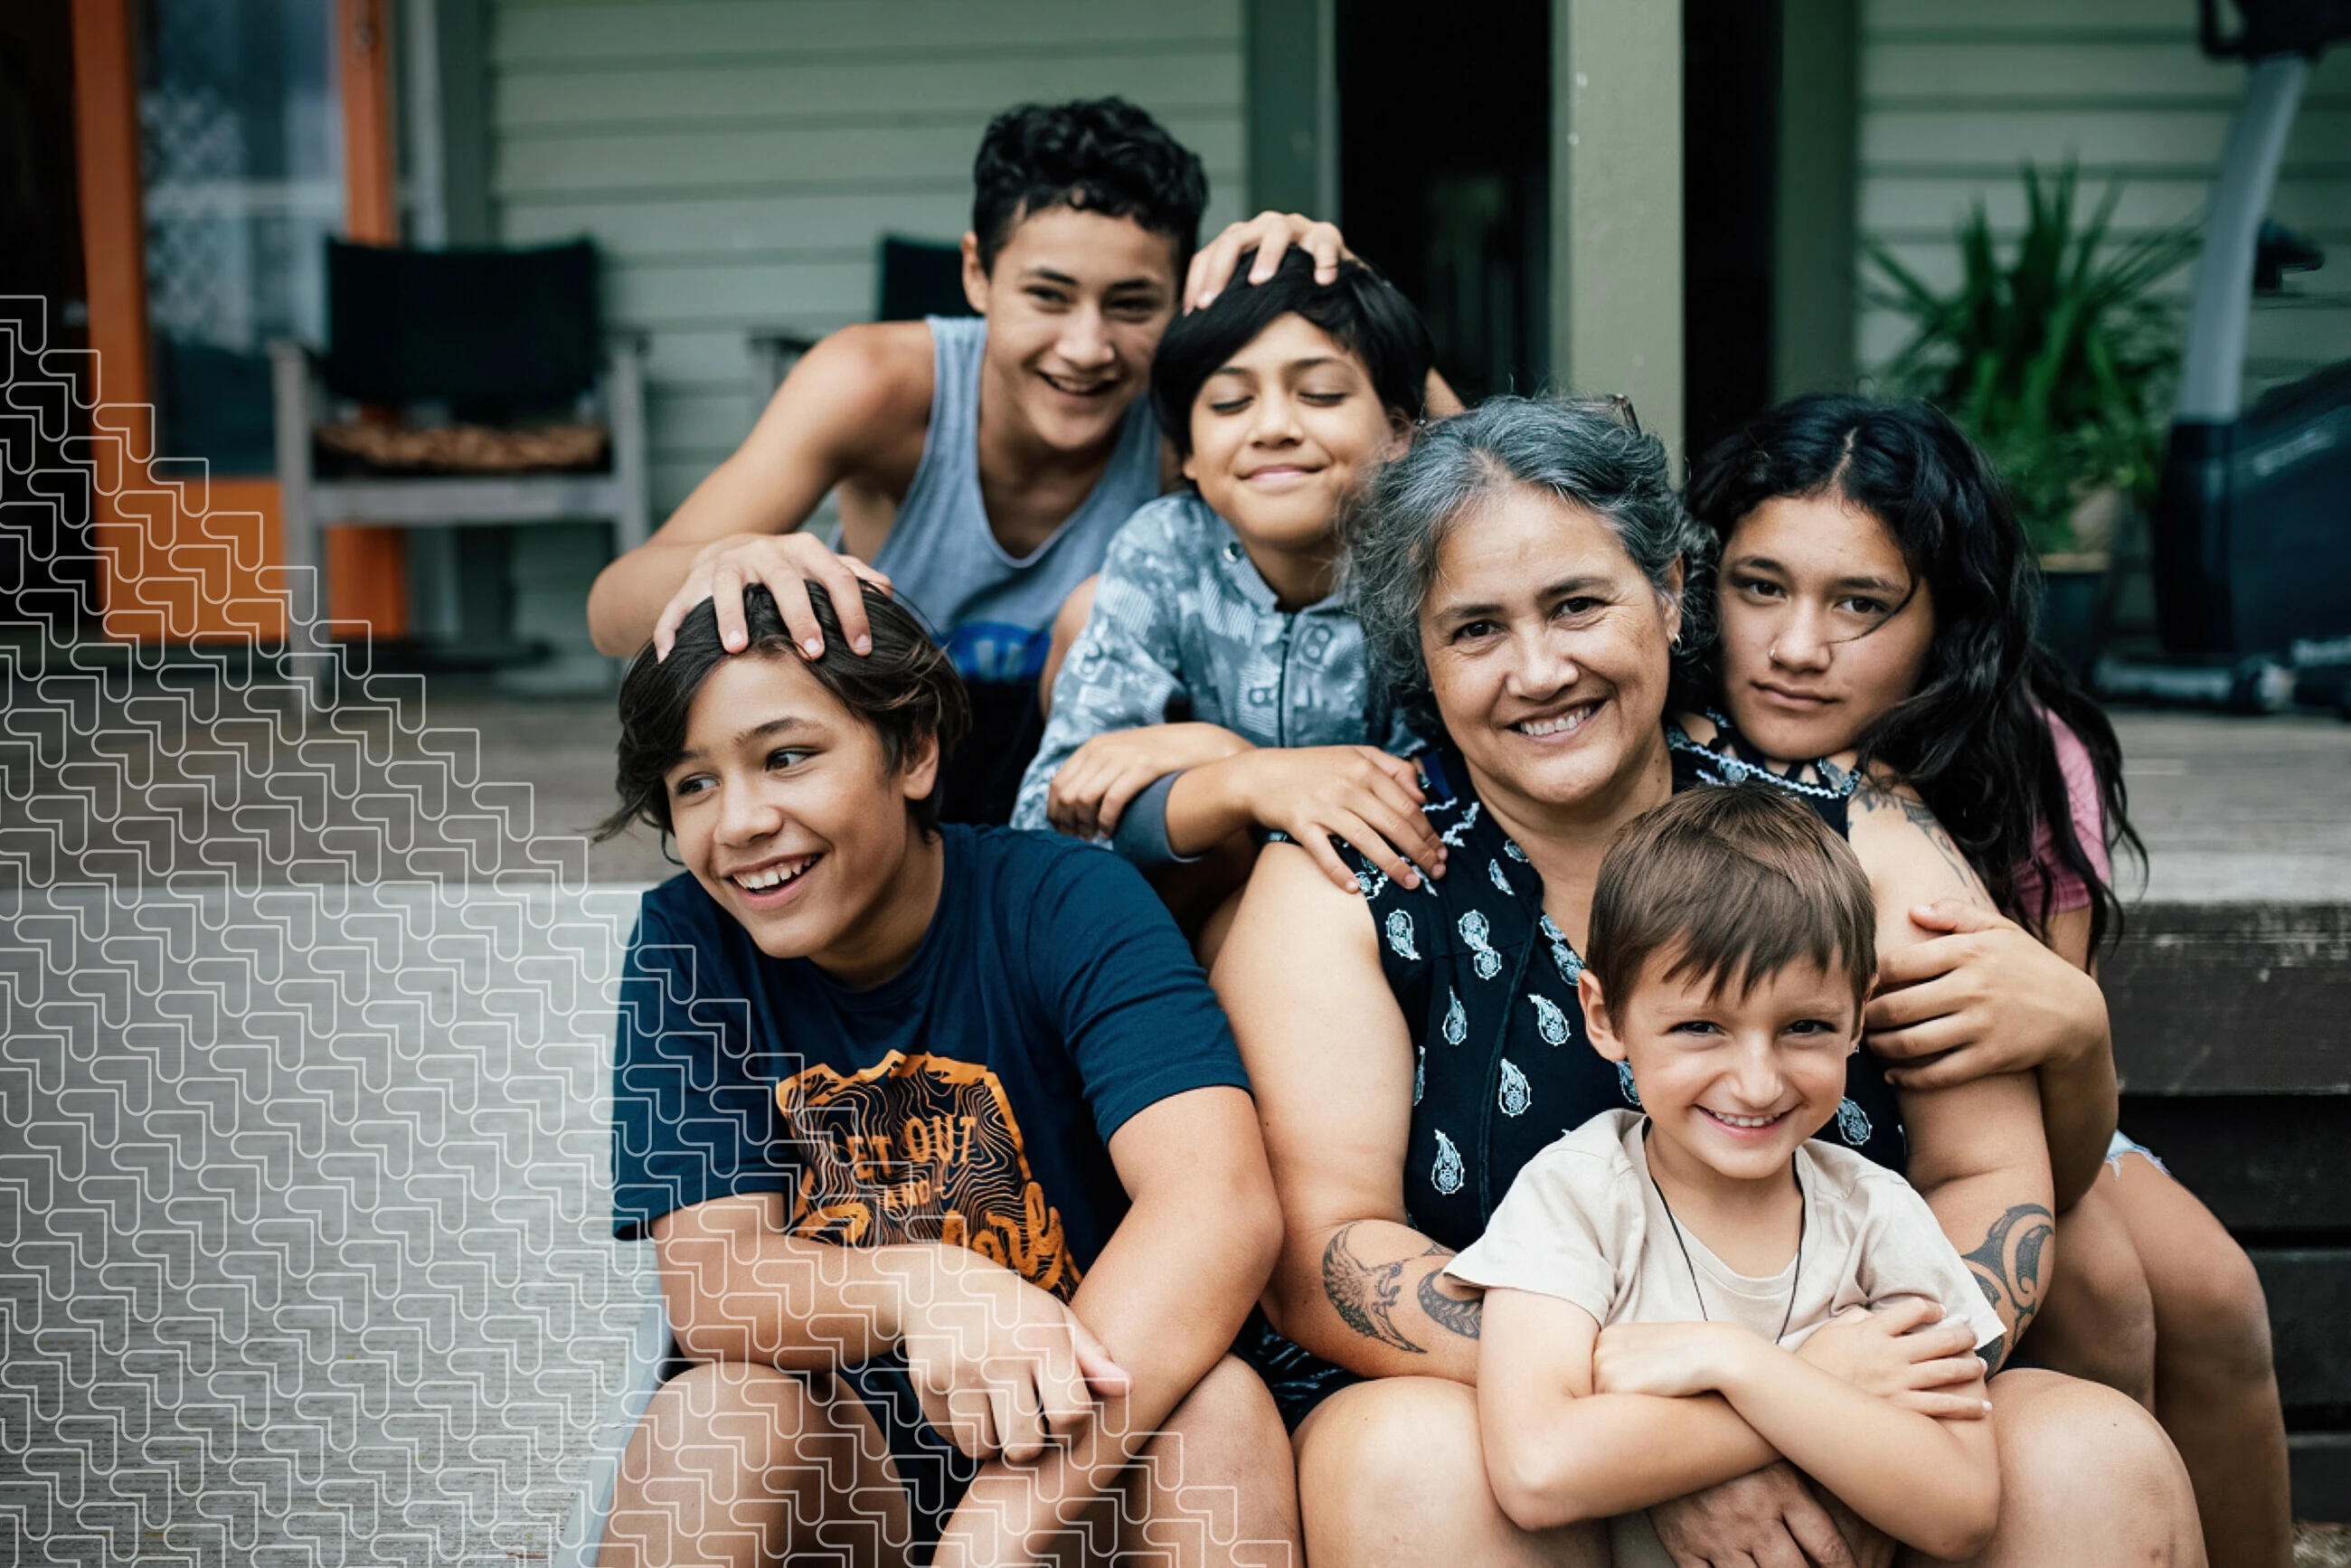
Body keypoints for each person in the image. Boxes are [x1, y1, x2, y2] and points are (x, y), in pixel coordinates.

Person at [1212, 396, 2203, 1568]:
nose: (1539, 669)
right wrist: (1707, 1420)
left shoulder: (1858, 835)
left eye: (1577, 605)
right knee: (1397, 1456)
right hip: (1513, 1425)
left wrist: (1816, 1414)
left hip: (1862, 1401)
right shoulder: (1346, 881)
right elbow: (1322, 1251)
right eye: (1475, 628)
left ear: (1671, 592)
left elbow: (1988, 1173)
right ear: (1419, 653)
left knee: (2094, 1453)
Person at [1684, 392, 2288, 1568]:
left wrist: (2078, 1026)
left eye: (1858, 604)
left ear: (1943, 617)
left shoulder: (2024, 749)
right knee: (2102, 1283)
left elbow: (2056, 1145)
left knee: (2207, 1289)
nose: (1797, 646)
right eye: (1760, 586)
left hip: (2041, 1123)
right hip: (1802, 1127)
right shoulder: (1667, 732)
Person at [591, 581, 1298, 1567]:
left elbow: (1217, 1207)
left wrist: (987, 1539)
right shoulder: (692, 942)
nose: (740, 821)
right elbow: (713, 1284)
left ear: (914, 751)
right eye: (693, 783)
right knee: (716, 1415)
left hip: (1085, 1449)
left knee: (1218, 1409)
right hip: (859, 1477)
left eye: (786, 758)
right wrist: (927, 1285)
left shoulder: (1064, 900)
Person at [585, 95, 1421, 826]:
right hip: (891, 783)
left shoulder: (1200, 422)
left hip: (1092, 792)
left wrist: (1342, 293)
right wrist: (728, 562)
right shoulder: (876, 384)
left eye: (1132, 304)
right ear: (978, 274)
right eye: (1048, 296)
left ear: (1179, 301)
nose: (1087, 347)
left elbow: (1449, 481)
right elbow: (611, 608)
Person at [1457, 784, 2003, 1566]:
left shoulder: (1878, 1213)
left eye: (1805, 1026)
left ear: (1858, 1014)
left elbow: (1963, 1507)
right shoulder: (1576, 1196)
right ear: (1604, 1016)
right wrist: (1816, 1378)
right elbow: (1538, 1468)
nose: (1756, 1083)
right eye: (1700, 1027)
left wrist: (1739, 1366)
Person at [1011, 248, 1440, 950]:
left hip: (1383, 915)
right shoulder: (1163, 552)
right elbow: (1051, 814)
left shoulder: (1432, 562)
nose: (1271, 427)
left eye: (1320, 394)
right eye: (1231, 402)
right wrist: (1238, 771)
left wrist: (1224, 765)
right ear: (1185, 451)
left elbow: (1456, 797)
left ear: (1400, 433)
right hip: (1190, 913)